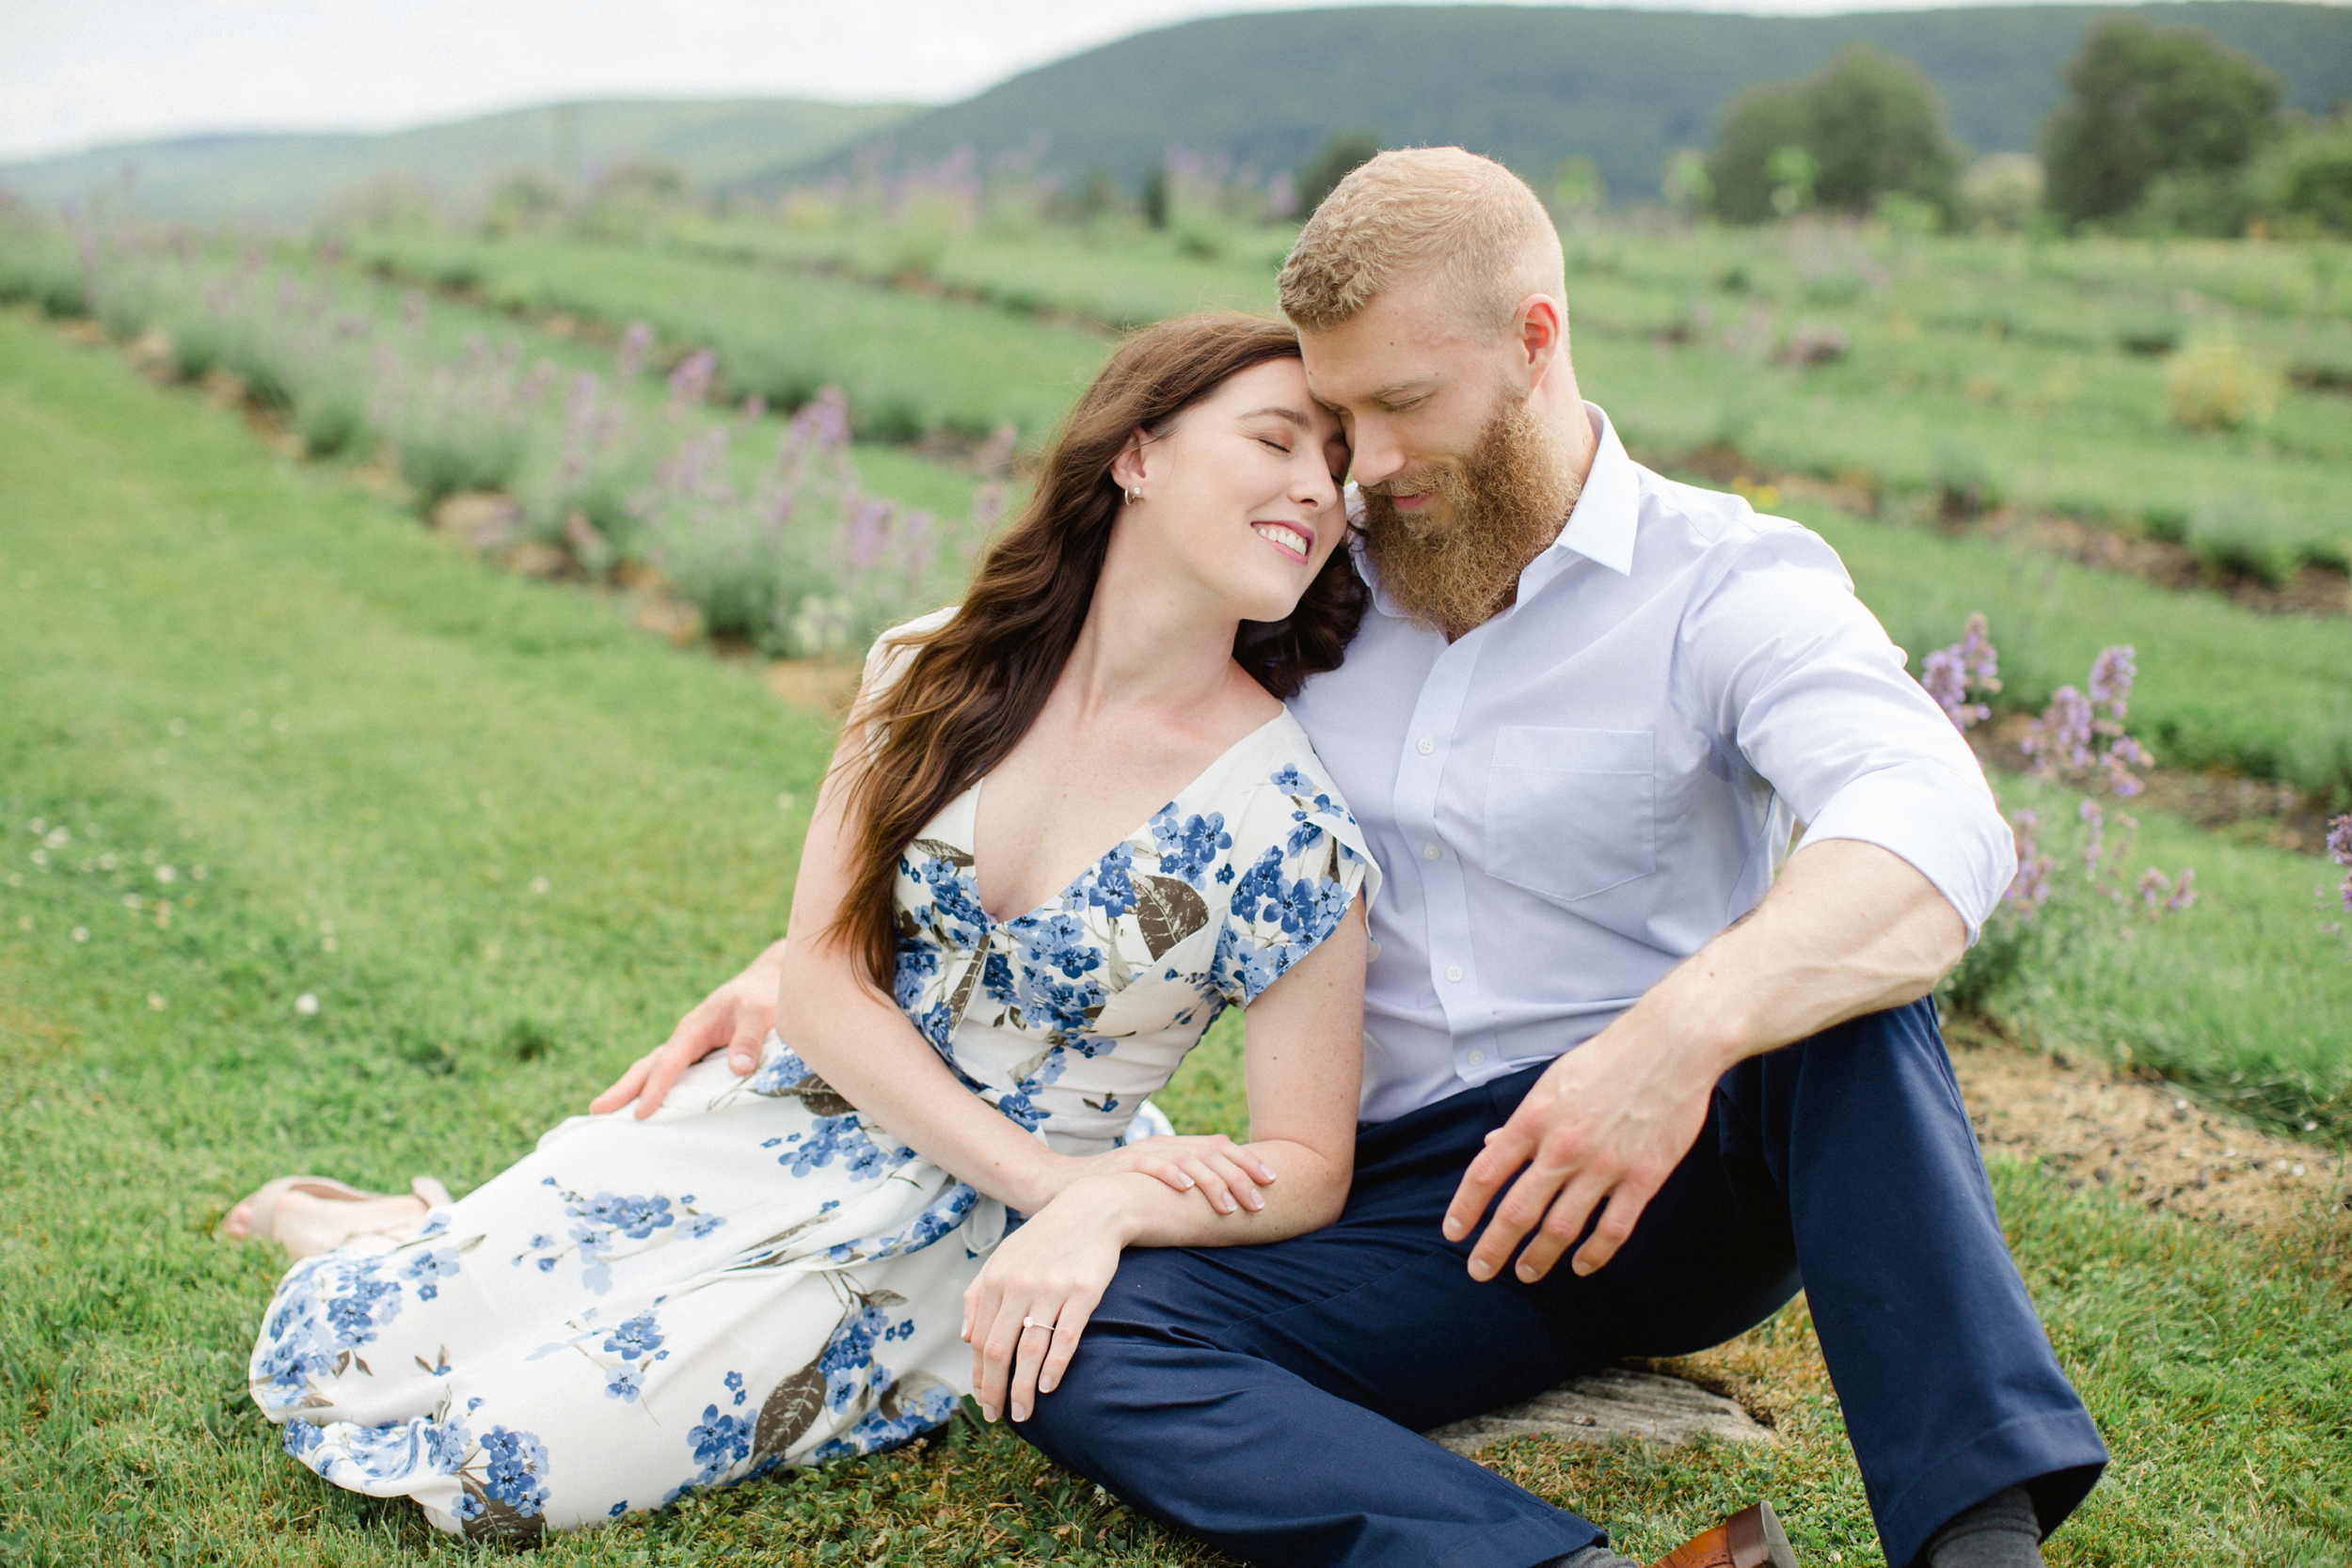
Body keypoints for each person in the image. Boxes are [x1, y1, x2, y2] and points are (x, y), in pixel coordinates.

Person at [636, 150, 2107, 1568]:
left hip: (1687, 1159)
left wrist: (1672, 1038)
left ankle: (1976, 1546)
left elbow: (1932, 824)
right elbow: (1095, 761)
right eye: (1339, 420)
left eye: (1404, 404)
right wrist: (816, 953)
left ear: (1534, 341)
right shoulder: (1306, 593)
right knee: (1075, 1340)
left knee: (1847, 1003)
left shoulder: (1722, 584)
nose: (1369, 466)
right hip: (1418, 1208)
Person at [226, 314, 1383, 1539]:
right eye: (1276, 441)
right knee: (343, 1340)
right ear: (1135, 454)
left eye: (1338, 465)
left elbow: (1310, 1164)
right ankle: (396, 1231)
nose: (1316, 488)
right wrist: (1051, 1182)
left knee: (511, 1461)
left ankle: (436, 1241)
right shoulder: (925, 669)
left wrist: (1098, 1202)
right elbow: (825, 985)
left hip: (960, 1241)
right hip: (797, 1111)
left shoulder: (1290, 828)